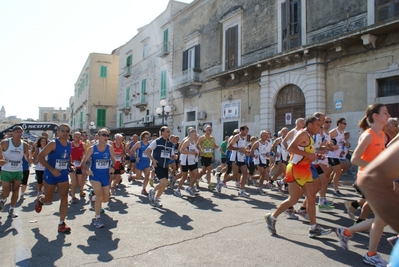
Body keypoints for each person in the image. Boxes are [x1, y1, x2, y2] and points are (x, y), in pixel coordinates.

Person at [335, 103, 390, 266]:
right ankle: (370, 254)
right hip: (369, 180)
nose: (388, 115)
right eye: (385, 112)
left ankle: (345, 232)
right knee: (382, 219)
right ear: (375, 116)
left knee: (382, 220)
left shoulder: (381, 134)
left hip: (378, 180)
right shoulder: (369, 135)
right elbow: (355, 159)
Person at [264, 117, 331, 238]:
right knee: (310, 197)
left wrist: (316, 155)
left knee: (294, 199)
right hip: (298, 169)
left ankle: (272, 217)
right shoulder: (303, 134)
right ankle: (313, 227)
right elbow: (290, 148)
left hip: (301, 168)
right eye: (317, 125)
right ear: (310, 125)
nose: (319, 128)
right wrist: (309, 155)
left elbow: (304, 150)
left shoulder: (309, 135)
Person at [35, 123, 73, 233]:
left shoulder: (69, 144)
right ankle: (40, 199)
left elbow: (67, 156)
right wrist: (52, 170)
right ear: (58, 132)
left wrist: (70, 165)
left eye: (67, 131)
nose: (65, 133)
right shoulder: (53, 143)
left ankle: (61, 223)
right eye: (63, 131)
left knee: (64, 197)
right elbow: (40, 157)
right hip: (50, 175)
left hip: (63, 175)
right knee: (48, 199)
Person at [82, 128, 116, 228]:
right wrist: (88, 169)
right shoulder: (92, 148)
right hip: (94, 176)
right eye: (103, 135)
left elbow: (113, 160)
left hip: (105, 176)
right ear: (98, 136)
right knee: (100, 196)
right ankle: (97, 218)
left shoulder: (109, 148)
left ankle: (93, 197)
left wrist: (112, 167)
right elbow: (83, 162)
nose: (106, 137)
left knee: (105, 199)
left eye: (107, 135)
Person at [0, 126, 29, 218]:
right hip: (6, 171)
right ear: (12, 133)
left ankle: (11, 209)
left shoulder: (24, 145)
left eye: (21, 132)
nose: (19, 134)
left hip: (18, 171)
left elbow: (27, 157)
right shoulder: (5, 143)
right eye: (17, 132)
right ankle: (2, 200)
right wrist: (1, 161)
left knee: (16, 191)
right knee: (6, 192)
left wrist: (31, 159)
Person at [145, 126, 174, 207]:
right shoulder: (157, 141)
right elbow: (147, 151)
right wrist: (153, 160)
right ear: (162, 133)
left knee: (164, 185)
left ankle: (156, 199)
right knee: (163, 182)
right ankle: (153, 191)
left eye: (169, 131)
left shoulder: (170, 144)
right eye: (167, 131)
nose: (169, 133)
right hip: (157, 165)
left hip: (165, 166)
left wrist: (174, 157)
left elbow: (171, 155)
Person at [175, 128, 199, 197]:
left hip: (192, 161)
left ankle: (189, 187)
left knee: (196, 174)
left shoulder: (194, 141)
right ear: (190, 135)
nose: (196, 136)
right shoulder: (186, 141)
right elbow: (181, 151)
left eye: (196, 134)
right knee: (184, 177)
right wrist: (191, 152)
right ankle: (178, 189)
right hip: (185, 161)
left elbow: (194, 149)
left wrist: (196, 153)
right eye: (194, 135)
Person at [328, 117, 347, 197]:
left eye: (345, 124)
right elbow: (326, 140)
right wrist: (332, 147)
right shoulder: (334, 132)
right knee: (338, 171)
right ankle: (336, 190)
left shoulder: (342, 132)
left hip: (337, 156)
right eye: (344, 123)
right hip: (331, 155)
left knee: (327, 174)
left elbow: (340, 143)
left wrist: (341, 151)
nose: (345, 125)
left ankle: (327, 185)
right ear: (339, 124)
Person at [130, 131, 151, 196]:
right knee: (138, 177)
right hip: (140, 162)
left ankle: (144, 189)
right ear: (142, 137)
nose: (147, 139)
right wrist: (135, 157)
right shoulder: (139, 143)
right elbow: (132, 150)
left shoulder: (149, 144)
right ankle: (132, 176)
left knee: (147, 175)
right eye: (146, 137)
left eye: (148, 137)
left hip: (146, 162)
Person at [69, 132, 85, 203]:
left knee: (79, 183)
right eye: (76, 137)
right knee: (74, 182)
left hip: (79, 165)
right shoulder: (69, 144)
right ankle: (73, 196)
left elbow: (85, 155)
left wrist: (84, 164)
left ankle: (70, 186)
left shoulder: (83, 145)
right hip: (71, 165)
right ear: (73, 137)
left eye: (79, 137)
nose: (78, 138)